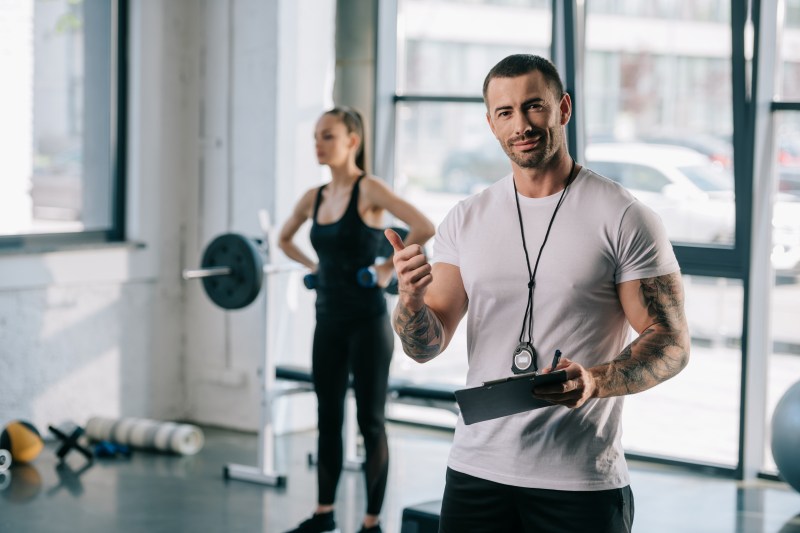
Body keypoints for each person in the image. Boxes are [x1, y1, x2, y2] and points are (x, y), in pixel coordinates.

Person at [385, 54, 690, 532]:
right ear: (491, 123)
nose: (521, 125)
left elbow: (671, 342)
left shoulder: (623, 216)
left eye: (534, 107)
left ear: (563, 108)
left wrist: (594, 381)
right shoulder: (466, 219)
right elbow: (425, 344)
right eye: (505, 113)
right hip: (475, 472)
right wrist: (410, 302)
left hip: (579, 483)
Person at [279, 106, 435, 533]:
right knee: (328, 416)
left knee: (370, 421)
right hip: (326, 321)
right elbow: (283, 238)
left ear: (352, 141)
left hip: (367, 324)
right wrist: (313, 267)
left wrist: (386, 269)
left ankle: (370, 523)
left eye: (327, 135)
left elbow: (423, 225)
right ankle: (324, 515)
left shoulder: (369, 190)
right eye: (315, 136)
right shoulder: (314, 197)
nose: (318, 143)